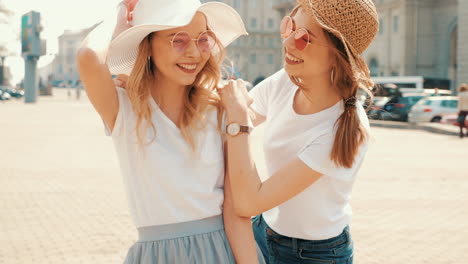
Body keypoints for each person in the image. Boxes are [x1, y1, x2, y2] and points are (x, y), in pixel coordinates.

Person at [76, 0, 264, 263]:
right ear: (148, 45)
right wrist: (122, 15)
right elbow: (88, 58)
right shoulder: (125, 110)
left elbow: (237, 213)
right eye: (178, 40)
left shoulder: (220, 109)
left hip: (221, 252)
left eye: (203, 40)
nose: (195, 53)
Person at [217, 0, 379, 263]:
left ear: (338, 55)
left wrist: (238, 124)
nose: (289, 43)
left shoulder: (343, 128)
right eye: (289, 27)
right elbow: (225, 119)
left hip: (316, 255)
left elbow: (248, 202)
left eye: (304, 38)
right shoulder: (285, 82)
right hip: (263, 231)